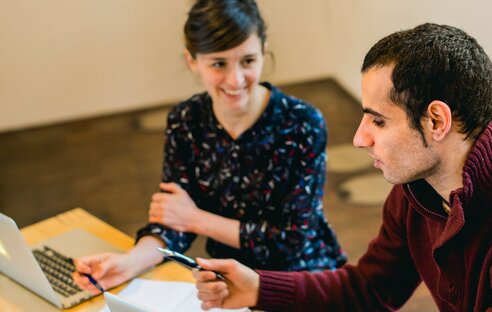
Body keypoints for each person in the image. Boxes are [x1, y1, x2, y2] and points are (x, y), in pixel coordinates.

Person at [191, 23, 492, 311]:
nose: (359, 137)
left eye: (378, 120)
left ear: (437, 122)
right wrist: (259, 287)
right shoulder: (419, 191)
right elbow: (370, 289)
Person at [72, 0, 346, 293]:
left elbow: (293, 240)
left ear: (263, 53)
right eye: (218, 63)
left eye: (248, 61)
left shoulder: (303, 123)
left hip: (303, 280)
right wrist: (128, 263)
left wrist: (197, 219)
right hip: (228, 280)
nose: (236, 79)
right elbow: (172, 220)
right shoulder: (186, 120)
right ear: (192, 61)